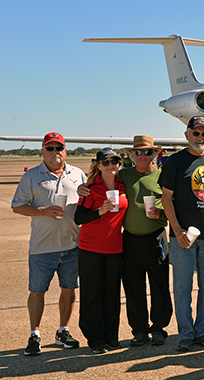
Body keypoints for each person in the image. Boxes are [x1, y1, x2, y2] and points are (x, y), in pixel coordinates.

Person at [12, 132, 85, 356]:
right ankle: (34, 334)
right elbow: (17, 206)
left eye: (59, 148)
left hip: (72, 246)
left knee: (69, 290)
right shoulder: (31, 176)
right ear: (42, 151)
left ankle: (63, 330)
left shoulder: (77, 174)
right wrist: (42, 211)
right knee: (37, 292)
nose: (55, 152)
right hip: (42, 248)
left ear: (65, 151)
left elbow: (88, 202)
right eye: (50, 148)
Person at [159, 116, 204, 352]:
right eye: (196, 133)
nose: (200, 137)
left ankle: (202, 332)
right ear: (187, 135)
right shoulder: (175, 162)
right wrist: (177, 230)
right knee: (183, 288)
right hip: (182, 237)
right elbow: (166, 198)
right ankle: (185, 335)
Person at [74, 148, 128, 353]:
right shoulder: (91, 188)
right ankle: (95, 339)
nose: (111, 166)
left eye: (115, 162)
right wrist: (100, 211)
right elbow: (78, 217)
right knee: (92, 294)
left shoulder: (123, 186)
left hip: (115, 248)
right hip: (91, 248)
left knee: (112, 294)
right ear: (98, 166)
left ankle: (111, 336)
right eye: (106, 162)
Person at [121, 135, 173, 346]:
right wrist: (82, 187)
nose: (143, 156)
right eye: (138, 152)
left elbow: (173, 205)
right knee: (133, 288)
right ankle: (139, 330)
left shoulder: (163, 177)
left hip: (156, 238)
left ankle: (159, 328)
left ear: (155, 154)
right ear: (132, 155)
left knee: (159, 285)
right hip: (130, 240)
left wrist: (161, 213)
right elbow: (99, 180)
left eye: (148, 152)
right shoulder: (124, 175)